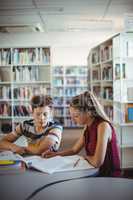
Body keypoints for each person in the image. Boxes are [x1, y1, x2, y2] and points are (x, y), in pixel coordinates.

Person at [42, 91, 121, 177]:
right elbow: (74, 150)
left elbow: (97, 162)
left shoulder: (103, 126)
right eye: (71, 116)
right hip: (94, 171)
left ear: (88, 112)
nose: (73, 120)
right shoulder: (87, 126)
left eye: (76, 116)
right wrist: (55, 155)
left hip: (108, 175)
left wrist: (85, 157)